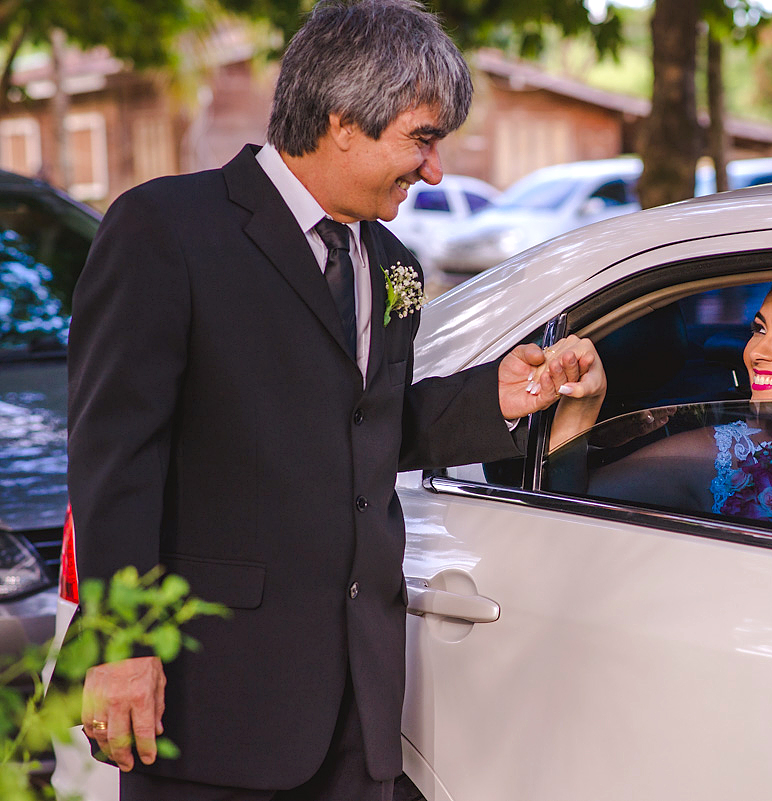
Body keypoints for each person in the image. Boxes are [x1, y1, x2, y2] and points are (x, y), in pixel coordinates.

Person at [66, 2, 598, 799]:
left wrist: (497, 397)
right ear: (344, 119)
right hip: (212, 700)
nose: (436, 170)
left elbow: (363, 430)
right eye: (422, 138)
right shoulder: (165, 229)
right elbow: (115, 457)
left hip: (360, 706)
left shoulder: (391, 260)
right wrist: (117, 645)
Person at [547, 277, 772, 523]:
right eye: (759, 329)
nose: (756, 351)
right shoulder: (716, 456)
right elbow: (562, 508)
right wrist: (581, 406)